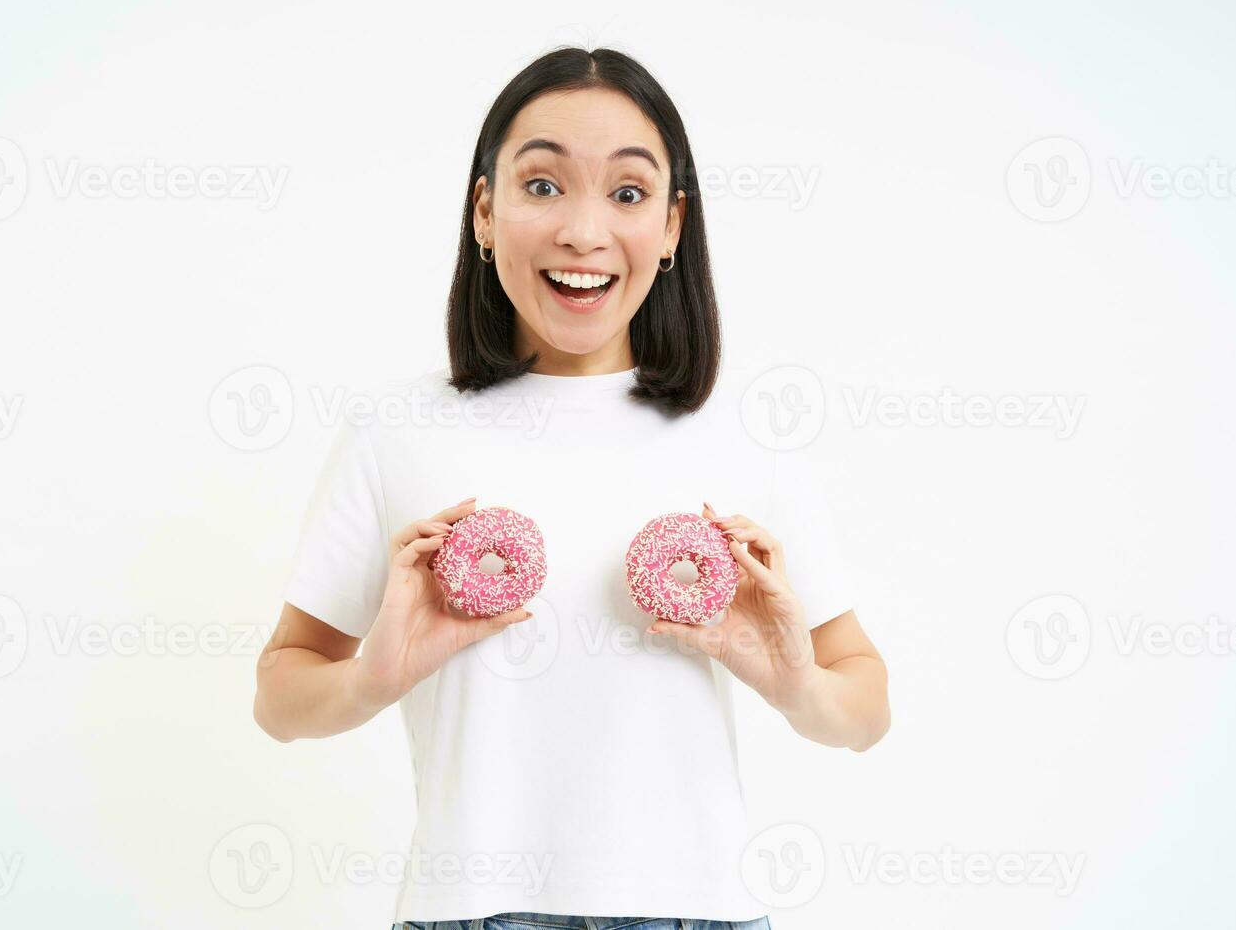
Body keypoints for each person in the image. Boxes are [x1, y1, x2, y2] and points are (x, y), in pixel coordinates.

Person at [253, 46, 891, 930]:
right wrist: (373, 676)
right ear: (486, 210)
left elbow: (865, 710)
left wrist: (793, 686)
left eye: (627, 194)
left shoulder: (744, 436)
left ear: (671, 226)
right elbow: (279, 697)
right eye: (544, 185)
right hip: (467, 910)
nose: (583, 233)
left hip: (697, 910)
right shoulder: (396, 430)